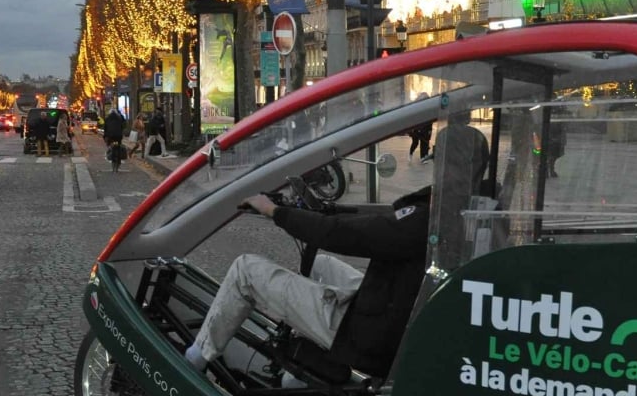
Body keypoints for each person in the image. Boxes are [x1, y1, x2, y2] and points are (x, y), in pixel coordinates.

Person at [185, 126, 488, 378]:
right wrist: (326, 215)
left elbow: (355, 235)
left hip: (371, 335)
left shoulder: (428, 220)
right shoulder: (466, 208)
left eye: (440, 164)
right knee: (321, 262)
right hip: (398, 308)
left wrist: (276, 212)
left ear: (450, 168)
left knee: (244, 270)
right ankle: (294, 379)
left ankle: (194, 363)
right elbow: (377, 225)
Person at [102, 105, 126, 171]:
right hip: (118, 136)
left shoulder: (107, 118)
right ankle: (118, 161)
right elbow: (123, 125)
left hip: (110, 136)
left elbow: (105, 129)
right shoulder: (120, 117)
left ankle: (112, 159)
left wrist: (105, 136)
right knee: (118, 147)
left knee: (111, 147)